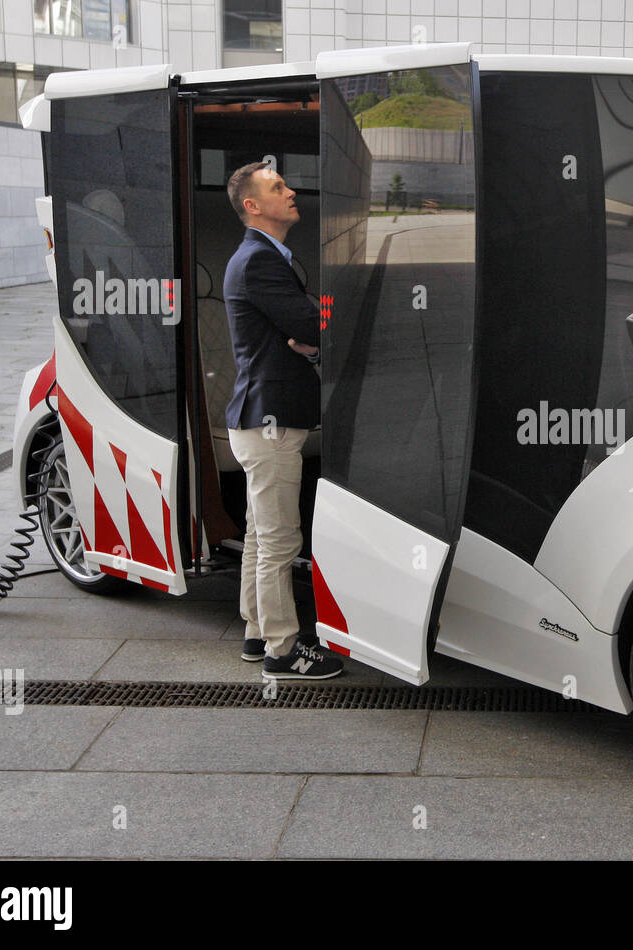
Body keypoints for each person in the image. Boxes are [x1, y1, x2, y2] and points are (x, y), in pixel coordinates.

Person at [223, 161, 343, 680]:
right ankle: (282, 650)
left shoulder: (265, 257)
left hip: (260, 419)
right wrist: (323, 321)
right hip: (267, 422)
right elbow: (308, 323)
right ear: (253, 206)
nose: (291, 192)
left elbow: (304, 327)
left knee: (259, 534)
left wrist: (309, 331)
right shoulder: (259, 261)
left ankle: (256, 631)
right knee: (279, 540)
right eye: (278, 188)